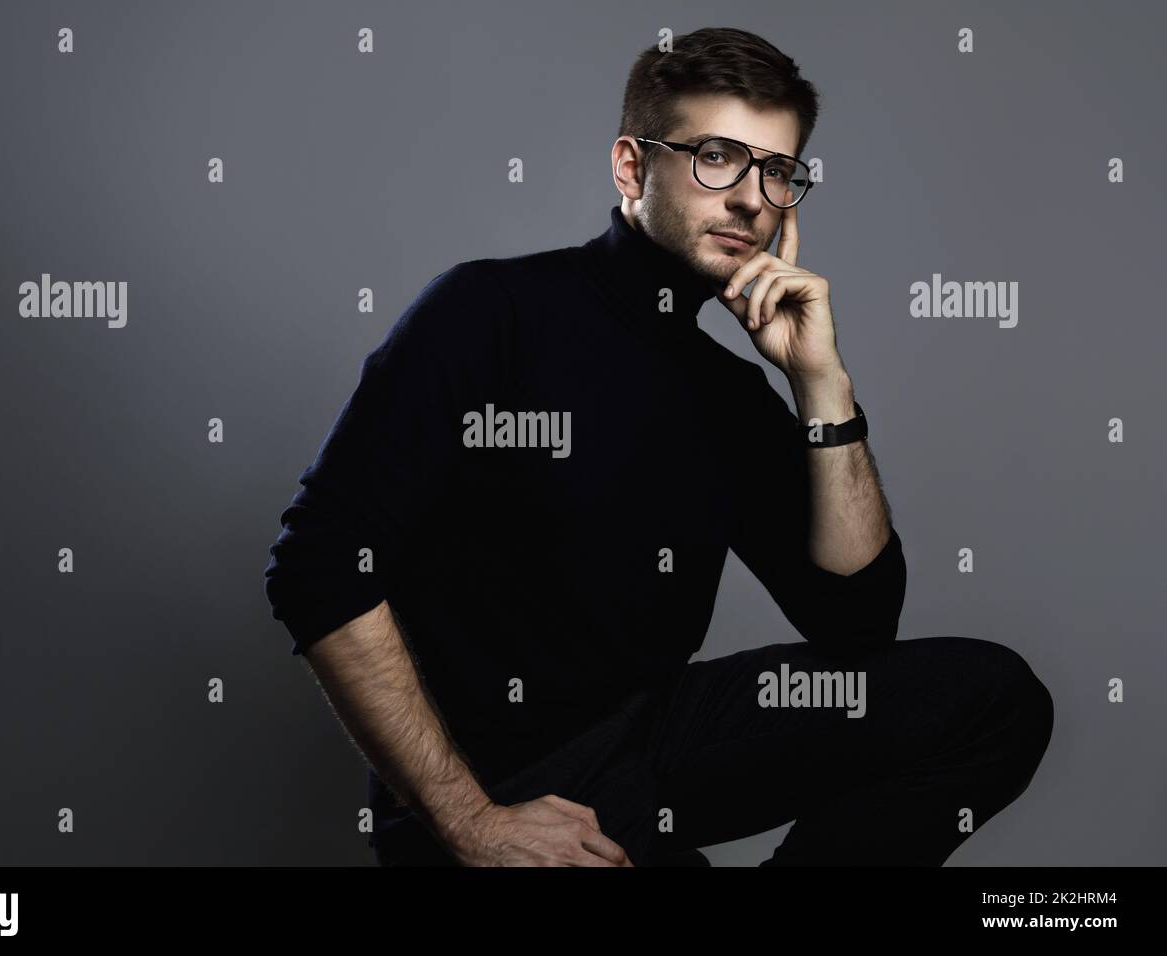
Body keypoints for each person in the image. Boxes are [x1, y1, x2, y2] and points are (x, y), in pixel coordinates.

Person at [263, 26, 1053, 866]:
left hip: (653, 748)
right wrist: (469, 823)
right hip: (495, 784)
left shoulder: (731, 392)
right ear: (633, 168)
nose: (752, 198)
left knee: (994, 701)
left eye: (777, 171)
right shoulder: (491, 311)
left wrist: (822, 385)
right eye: (718, 156)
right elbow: (316, 566)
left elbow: (858, 625)